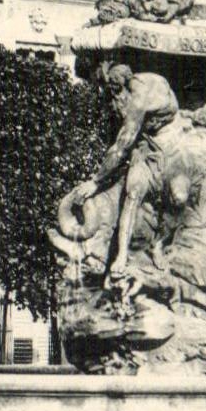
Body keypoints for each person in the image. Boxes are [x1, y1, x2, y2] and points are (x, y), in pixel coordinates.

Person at [66, 65, 181, 280]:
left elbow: (122, 146)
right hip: (148, 146)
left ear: (120, 89)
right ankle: (122, 256)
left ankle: (159, 244)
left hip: (172, 142)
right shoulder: (142, 80)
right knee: (133, 191)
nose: (114, 106)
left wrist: (95, 181)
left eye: (113, 96)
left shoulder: (138, 99)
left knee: (179, 197)